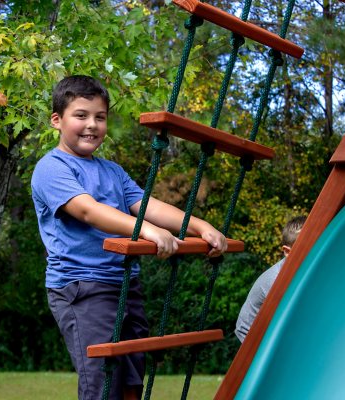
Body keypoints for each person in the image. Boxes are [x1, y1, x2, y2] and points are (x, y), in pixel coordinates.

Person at [31, 75, 227, 400]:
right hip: (82, 288)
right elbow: (88, 211)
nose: (91, 125)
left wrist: (198, 226)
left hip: (124, 284)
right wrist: (146, 231)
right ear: (57, 120)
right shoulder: (52, 168)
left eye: (100, 117)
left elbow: (148, 206)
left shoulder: (112, 171)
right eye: (81, 115)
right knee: (103, 383)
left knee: (132, 381)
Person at [235, 216, 306, 343]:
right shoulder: (276, 280)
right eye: (306, 249)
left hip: (274, 328)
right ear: (287, 251)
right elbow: (292, 317)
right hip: (250, 336)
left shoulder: (301, 270)